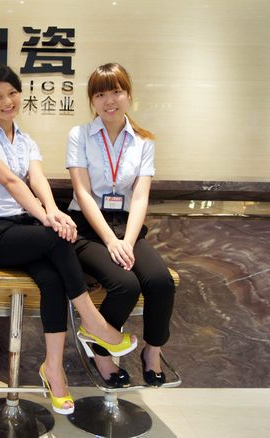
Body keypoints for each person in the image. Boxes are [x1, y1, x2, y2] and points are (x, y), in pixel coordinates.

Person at [0, 65, 137, 415]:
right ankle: (93, 322)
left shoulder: (26, 140)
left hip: (22, 229)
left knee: (54, 280)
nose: (7, 101)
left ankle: (53, 370)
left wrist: (53, 211)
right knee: (56, 238)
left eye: (12, 93)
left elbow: (37, 179)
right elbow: (12, 183)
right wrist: (47, 218)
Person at [67, 62, 176, 387]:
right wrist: (110, 241)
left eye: (116, 92)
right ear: (92, 100)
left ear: (128, 95)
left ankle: (152, 351)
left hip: (126, 226)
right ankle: (101, 352)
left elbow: (140, 197)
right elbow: (82, 193)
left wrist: (127, 241)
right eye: (100, 94)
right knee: (125, 284)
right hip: (88, 227)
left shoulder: (143, 141)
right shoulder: (80, 135)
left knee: (160, 282)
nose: (109, 101)